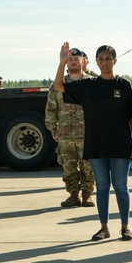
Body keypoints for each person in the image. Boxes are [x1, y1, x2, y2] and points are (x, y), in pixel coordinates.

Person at [53, 43, 132, 242]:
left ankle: (125, 227)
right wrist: (62, 63)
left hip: (120, 144)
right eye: (101, 59)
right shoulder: (88, 86)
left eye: (108, 59)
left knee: (121, 186)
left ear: (115, 61)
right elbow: (59, 86)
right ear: (95, 62)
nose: (104, 62)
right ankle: (103, 228)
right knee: (101, 187)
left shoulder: (125, 85)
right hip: (95, 145)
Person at [45, 47, 95, 209]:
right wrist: (53, 129)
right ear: (66, 62)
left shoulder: (92, 83)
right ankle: (74, 195)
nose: (73, 61)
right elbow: (51, 108)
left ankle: (87, 195)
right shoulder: (59, 84)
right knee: (68, 167)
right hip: (65, 135)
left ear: (83, 61)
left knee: (88, 166)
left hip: (87, 133)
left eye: (76, 59)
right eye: (70, 59)